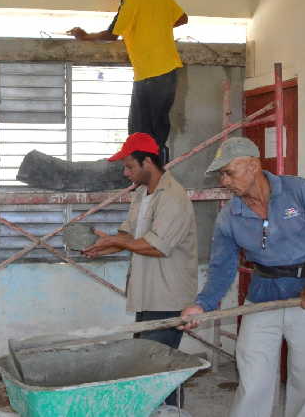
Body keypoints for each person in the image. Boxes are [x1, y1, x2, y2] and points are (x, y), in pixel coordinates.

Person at [180, 137, 305, 417]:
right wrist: (203, 304)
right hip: (260, 300)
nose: (224, 181)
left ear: (253, 166)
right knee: (253, 380)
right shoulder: (230, 217)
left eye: (228, 172)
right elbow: (222, 267)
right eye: (220, 174)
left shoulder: (298, 190)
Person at [83, 132, 197, 406]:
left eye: (129, 166)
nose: (125, 173)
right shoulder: (142, 195)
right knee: (149, 365)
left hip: (168, 296)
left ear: (148, 162)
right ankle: (162, 410)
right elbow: (128, 238)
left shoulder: (173, 197)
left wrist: (114, 241)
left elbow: (156, 247)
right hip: (147, 293)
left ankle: (171, 412)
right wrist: (102, 246)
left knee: (158, 368)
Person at [67, 0, 188, 163]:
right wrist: (155, 24)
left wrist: (84, 36)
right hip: (166, 71)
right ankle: (154, 170)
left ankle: (148, 173)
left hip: (150, 74)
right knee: (157, 130)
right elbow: (182, 18)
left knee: (139, 131)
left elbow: (112, 34)